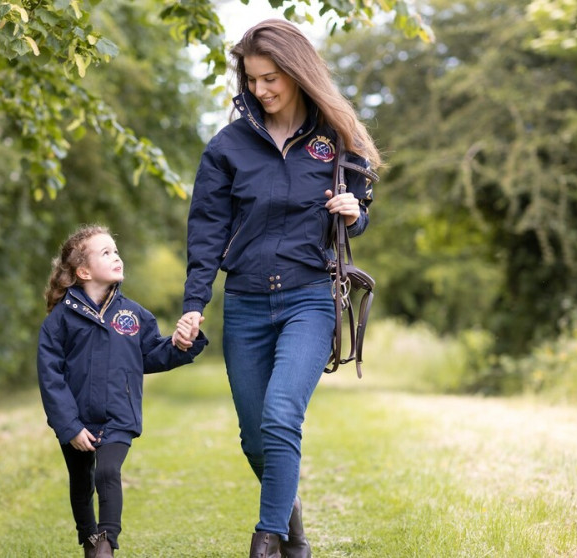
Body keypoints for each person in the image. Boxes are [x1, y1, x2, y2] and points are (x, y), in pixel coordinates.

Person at [172, 19, 381, 558]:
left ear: (296, 72)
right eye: (252, 80)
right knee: (255, 437)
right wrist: (195, 304)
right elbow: (206, 232)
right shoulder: (227, 147)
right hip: (243, 304)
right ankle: (295, 538)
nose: (261, 90)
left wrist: (354, 213)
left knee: (281, 414)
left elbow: (356, 215)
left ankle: (265, 541)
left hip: (310, 297)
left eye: (271, 79)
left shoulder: (338, 139)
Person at [37, 224, 208, 558]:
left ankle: (106, 544)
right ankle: (88, 538)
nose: (116, 257)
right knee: (82, 479)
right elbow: (50, 376)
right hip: (77, 419)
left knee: (108, 471)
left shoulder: (134, 314)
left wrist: (180, 344)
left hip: (119, 414)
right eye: (105, 253)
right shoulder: (60, 320)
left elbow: (150, 356)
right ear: (83, 271)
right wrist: (69, 426)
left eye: (115, 251)